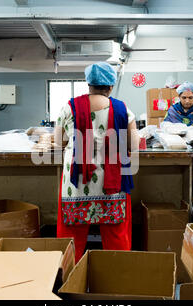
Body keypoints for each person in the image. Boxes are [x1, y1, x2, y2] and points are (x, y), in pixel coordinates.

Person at [55, 62, 139, 263]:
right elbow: (133, 145)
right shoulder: (122, 109)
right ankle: (117, 272)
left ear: (88, 84)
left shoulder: (69, 106)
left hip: (78, 182)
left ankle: (68, 276)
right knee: (116, 232)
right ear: (110, 86)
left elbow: (59, 142)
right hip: (111, 183)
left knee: (71, 234)